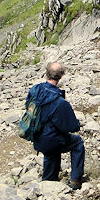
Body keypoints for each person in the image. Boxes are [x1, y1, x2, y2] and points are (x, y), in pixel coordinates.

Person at [26, 62, 84, 190]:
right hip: (52, 141)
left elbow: (28, 108)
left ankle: (48, 181)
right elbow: (71, 127)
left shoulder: (34, 90)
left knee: (51, 152)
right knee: (77, 142)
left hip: (37, 137)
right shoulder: (60, 103)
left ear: (46, 73)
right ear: (61, 76)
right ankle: (75, 180)